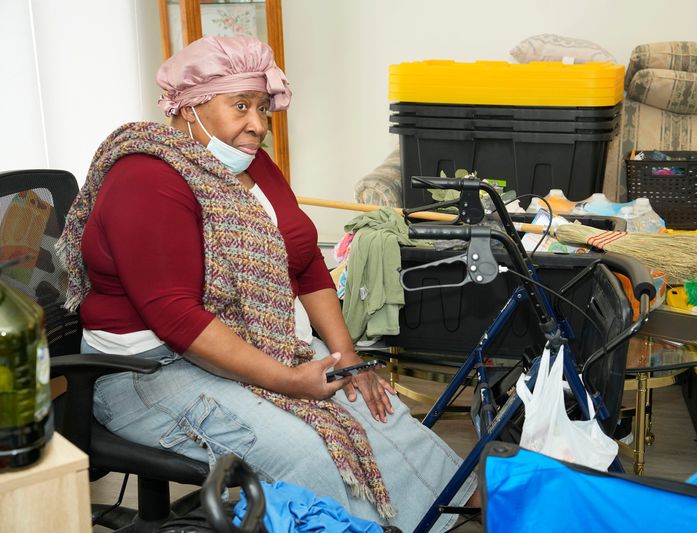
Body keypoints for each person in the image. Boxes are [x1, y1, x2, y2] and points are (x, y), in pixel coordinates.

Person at [56, 35, 476, 532]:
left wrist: (346, 356)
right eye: (240, 106)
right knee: (312, 451)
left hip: (250, 343)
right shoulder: (145, 179)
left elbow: (305, 260)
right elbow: (175, 317)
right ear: (189, 107)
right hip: (148, 374)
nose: (257, 124)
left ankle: (460, 516)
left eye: (262, 107)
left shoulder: (252, 165)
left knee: (380, 415)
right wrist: (289, 382)